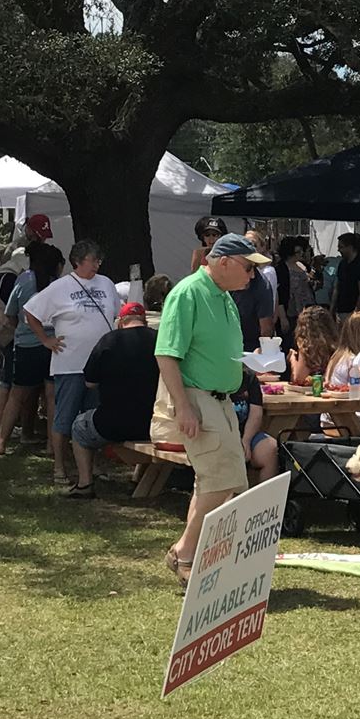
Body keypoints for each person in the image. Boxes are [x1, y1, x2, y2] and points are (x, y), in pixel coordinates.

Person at [155, 233, 266, 581]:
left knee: (218, 483)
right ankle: (186, 553)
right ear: (224, 263)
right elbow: (166, 354)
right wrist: (184, 407)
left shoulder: (224, 297)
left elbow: (217, 350)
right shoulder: (188, 293)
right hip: (199, 398)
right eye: (248, 268)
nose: (252, 276)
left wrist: (249, 366)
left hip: (223, 400)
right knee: (222, 483)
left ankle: (197, 556)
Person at [25, 239, 123, 496]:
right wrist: (46, 340)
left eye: (99, 260)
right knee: (65, 417)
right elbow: (31, 312)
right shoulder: (59, 288)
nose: (97, 265)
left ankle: (92, 466)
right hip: (70, 363)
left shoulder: (106, 284)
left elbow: (117, 314)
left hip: (100, 364)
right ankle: (59, 466)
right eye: (93, 260)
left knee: (95, 417)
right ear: (78, 261)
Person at [70, 279, 172, 489]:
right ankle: (136, 479)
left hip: (113, 423)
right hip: (153, 424)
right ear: (144, 320)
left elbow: (89, 383)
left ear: (120, 321)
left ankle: (84, 484)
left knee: (79, 427)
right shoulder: (161, 341)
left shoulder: (108, 341)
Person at [0, 243, 62, 456]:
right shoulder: (58, 285)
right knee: (52, 398)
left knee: (17, 395)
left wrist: (20, 329)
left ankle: (1, 442)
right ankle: (52, 444)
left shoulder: (23, 280)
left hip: (25, 345)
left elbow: (10, 312)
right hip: (53, 345)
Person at [332, 231, 360, 319]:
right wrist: (332, 310)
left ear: (350, 247)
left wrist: (356, 314)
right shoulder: (342, 263)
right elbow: (337, 287)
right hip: (341, 310)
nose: (338, 250)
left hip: (354, 311)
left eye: (341, 247)